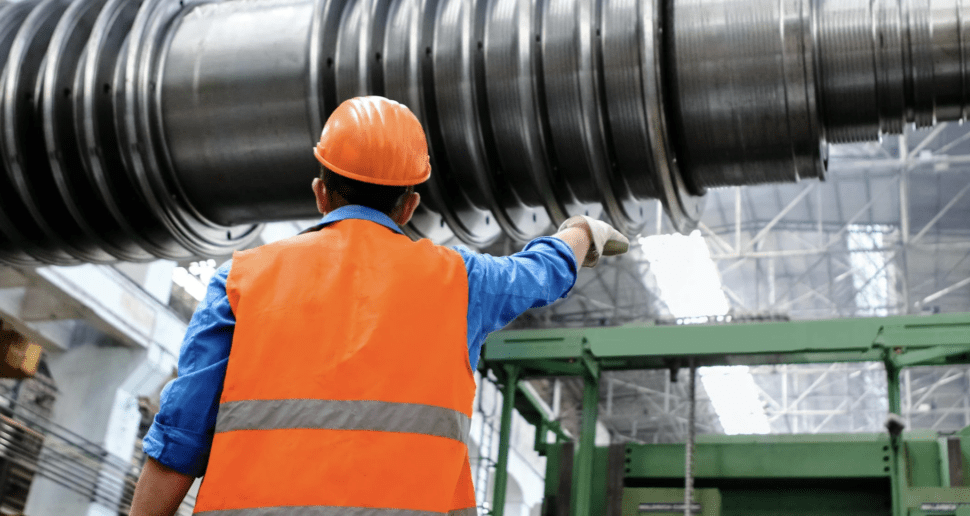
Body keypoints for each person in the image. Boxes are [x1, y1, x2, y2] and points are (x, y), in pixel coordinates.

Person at [128, 96, 628, 516]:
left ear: (321, 193)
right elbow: (543, 273)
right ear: (409, 206)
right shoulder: (461, 281)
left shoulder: (240, 280)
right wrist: (579, 231)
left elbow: (177, 443)